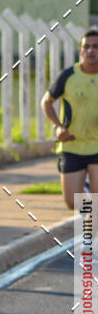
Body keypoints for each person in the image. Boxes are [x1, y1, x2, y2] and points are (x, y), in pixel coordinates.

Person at [41, 28, 98, 210]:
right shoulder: (68, 76)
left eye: (96, 47)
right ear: (80, 50)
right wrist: (57, 126)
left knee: (96, 204)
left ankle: (92, 235)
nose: (91, 51)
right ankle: (86, 192)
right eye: (86, 47)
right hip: (72, 145)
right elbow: (47, 102)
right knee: (72, 202)